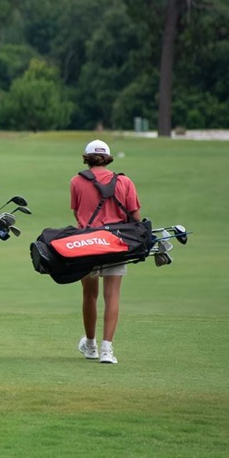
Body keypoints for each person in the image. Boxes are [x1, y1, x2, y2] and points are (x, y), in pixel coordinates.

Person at [70, 138, 142, 365]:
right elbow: (136, 217)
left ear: (87, 157)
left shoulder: (76, 181)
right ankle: (106, 350)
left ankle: (90, 346)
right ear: (108, 157)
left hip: (87, 244)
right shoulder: (125, 181)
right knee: (112, 296)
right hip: (116, 243)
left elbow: (78, 215)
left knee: (89, 295)